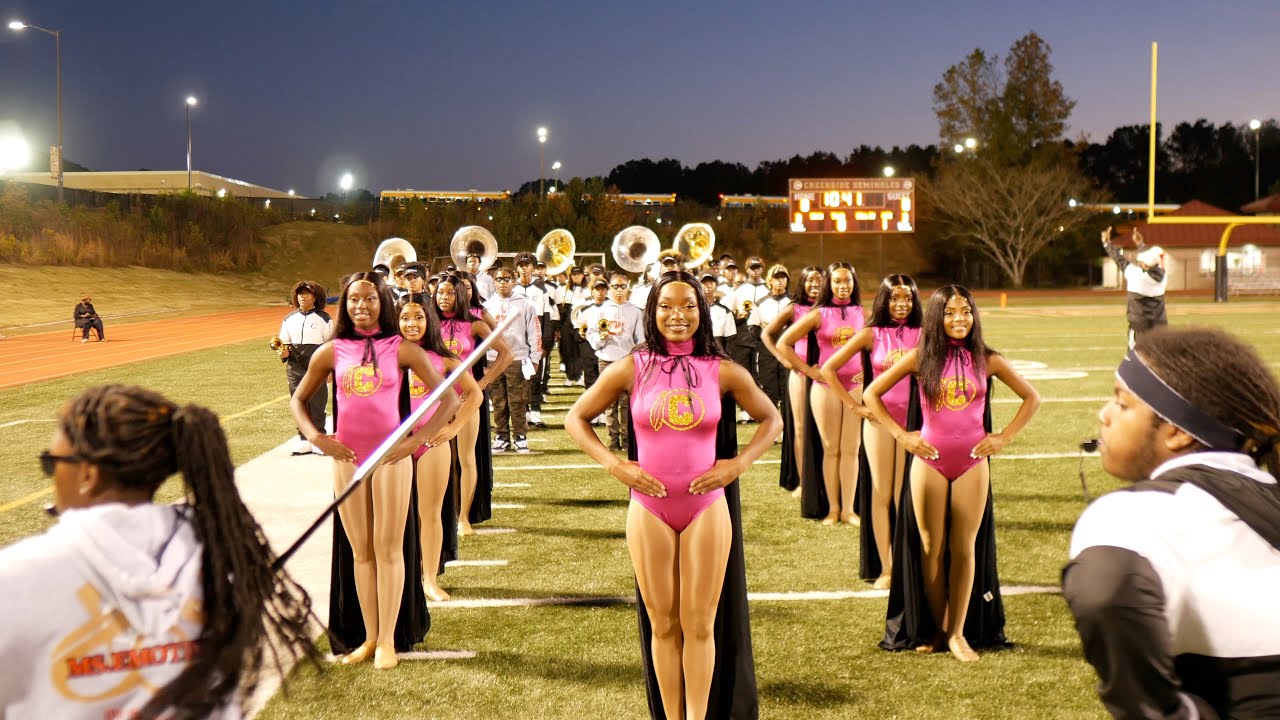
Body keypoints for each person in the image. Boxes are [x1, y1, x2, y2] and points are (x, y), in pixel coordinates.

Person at [0, 384, 320, 717]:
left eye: (52, 463)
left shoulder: (15, 577)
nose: (53, 475)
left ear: (88, 476)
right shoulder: (227, 556)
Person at [565, 270, 782, 720]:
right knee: (663, 625)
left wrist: (737, 464)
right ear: (653, 311)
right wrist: (617, 465)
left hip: (706, 507)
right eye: (666, 306)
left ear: (701, 311)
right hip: (649, 507)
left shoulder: (722, 370)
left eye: (687, 306)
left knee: (700, 623)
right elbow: (576, 418)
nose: (677, 315)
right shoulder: (632, 365)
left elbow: (771, 420)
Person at [1063, 327, 1280, 719]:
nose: (1104, 414)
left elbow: (1105, 594)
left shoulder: (1137, 512)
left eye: (1123, 403)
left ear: (1179, 432)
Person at [290, 272, 461, 670]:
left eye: (369, 298)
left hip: (390, 459)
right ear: (344, 305)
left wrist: (414, 443)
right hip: (347, 458)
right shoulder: (331, 351)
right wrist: (318, 438)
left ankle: (387, 640)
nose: (361, 305)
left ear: (382, 301)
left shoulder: (401, 348)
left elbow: (449, 398)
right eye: (353, 299)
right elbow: (299, 400)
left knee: (388, 549)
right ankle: (368, 637)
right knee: (360, 552)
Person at [865, 285, 1039, 661]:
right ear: (935, 317)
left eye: (965, 312)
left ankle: (959, 633)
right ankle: (936, 628)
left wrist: (1003, 437)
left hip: (972, 462)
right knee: (930, 548)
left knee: (964, 548)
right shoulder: (918, 358)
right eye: (949, 312)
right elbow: (871, 394)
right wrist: (902, 436)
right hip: (929, 460)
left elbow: (1032, 397)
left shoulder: (987, 359)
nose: (959, 319)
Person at [820, 275, 923, 589]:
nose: (901, 304)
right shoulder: (871, 333)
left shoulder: (924, 332)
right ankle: (887, 568)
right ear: (884, 300)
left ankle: (911, 564)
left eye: (907, 298)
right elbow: (828, 369)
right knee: (882, 494)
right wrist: (855, 407)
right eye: (895, 298)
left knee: (905, 495)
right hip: (879, 423)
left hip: (914, 424)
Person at [397, 294, 483, 601]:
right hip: (397, 445)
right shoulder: (386, 356)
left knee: (429, 513)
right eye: (405, 317)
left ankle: (429, 579)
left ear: (429, 320)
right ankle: (400, 577)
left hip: (432, 442)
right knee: (395, 516)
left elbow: (474, 395)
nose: (411, 323)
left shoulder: (444, 358)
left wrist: (454, 427)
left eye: (419, 317)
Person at [776, 263, 866, 525]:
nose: (842, 286)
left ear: (853, 282)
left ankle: (849, 510)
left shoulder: (862, 312)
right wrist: (807, 369)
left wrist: (866, 370)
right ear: (830, 284)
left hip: (855, 386)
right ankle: (833, 509)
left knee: (851, 449)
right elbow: (784, 343)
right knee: (831, 449)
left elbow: (873, 346)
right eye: (837, 281)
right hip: (825, 387)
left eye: (847, 280)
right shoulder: (819, 313)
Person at [432, 273, 512, 534]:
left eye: (450, 293)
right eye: (440, 292)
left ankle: (463, 517)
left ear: (461, 295)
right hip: (436, 401)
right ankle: (440, 514)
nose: (444, 298)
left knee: (465, 458)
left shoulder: (474, 324)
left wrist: (482, 382)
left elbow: (506, 354)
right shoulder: (428, 322)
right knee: (441, 459)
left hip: (466, 399)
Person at [762, 266, 825, 497]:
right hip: (800, 373)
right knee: (800, 428)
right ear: (802, 283)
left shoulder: (830, 309)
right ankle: (802, 481)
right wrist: (782, 358)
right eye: (810, 280)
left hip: (826, 376)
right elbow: (766, 334)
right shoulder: (794, 308)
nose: (815, 284)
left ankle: (824, 479)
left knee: (823, 430)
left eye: (820, 280)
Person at [483, 266, 541, 454]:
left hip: (518, 358)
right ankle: (501, 436)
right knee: (498, 401)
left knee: (518, 400)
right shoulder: (487, 306)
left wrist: (535, 358)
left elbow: (534, 332)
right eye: (499, 279)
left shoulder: (525, 304)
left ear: (514, 281)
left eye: (507, 279)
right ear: (494, 281)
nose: (503, 282)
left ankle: (520, 437)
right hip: (494, 358)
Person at [587, 272, 645, 451]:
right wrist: (601, 339)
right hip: (607, 359)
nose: (619, 290)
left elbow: (640, 338)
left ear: (629, 287)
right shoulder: (600, 310)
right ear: (609, 289)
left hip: (627, 361)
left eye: (623, 286)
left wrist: (636, 356)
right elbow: (591, 333)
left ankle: (628, 438)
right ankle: (613, 437)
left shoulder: (635, 311)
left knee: (627, 401)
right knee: (609, 401)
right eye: (615, 287)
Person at [278, 280, 333, 455]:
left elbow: (330, 344)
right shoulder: (289, 319)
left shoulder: (324, 318)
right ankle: (304, 439)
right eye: (300, 293)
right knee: (298, 400)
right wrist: (283, 353)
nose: (302, 296)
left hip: (316, 363)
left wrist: (330, 368)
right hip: (295, 366)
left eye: (306, 293)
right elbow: (283, 342)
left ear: (315, 297)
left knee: (317, 401)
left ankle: (318, 437)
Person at [1102, 226, 1167, 349]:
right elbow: (1151, 262)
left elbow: (1120, 261)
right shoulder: (1163, 276)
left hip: (1140, 326)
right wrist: (1140, 244)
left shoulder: (1137, 276)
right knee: (1159, 358)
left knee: (1136, 358)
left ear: (1145, 264)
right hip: (1160, 325)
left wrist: (1107, 244)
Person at [749, 267, 791, 408]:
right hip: (767, 352)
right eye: (776, 278)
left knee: (788, 393)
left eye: (783, 278)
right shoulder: (761, 303)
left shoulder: (794, 302)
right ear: (770, 281)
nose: (780, 281)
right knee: (769, 391)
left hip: (788, 351)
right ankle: (772, 426)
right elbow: (753, 328)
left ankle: (789, 429)